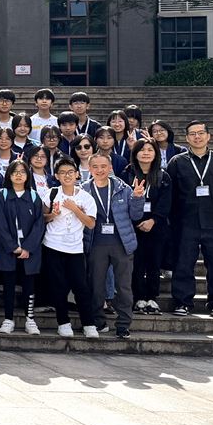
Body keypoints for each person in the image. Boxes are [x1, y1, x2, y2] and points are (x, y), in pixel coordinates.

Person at [166, 119, 213, 318]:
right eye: (192, 134)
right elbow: (170, 190)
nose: (197, 137)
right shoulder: (177, 162)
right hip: (185, 221)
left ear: (208, 136)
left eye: (200, 133)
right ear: (187, 138)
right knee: (183, 263)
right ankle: (182, 302)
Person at [83, 152, 144, 339]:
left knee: (123, 287)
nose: (100, 170)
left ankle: (123, 324)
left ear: (110, 168)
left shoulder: (123, 188)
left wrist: (137, 198)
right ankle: (98, 322)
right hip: (95, 245)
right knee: (96, 287)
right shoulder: (83, 190)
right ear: (89, 169)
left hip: (121, 244)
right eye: (95, 167)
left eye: (104, 166)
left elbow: (136, 216)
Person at [43, 157, 99, 338]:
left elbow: (91, 224)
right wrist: (52, 215)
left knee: (81, 287)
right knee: (58, 286)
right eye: (62, 173)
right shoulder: (51, 193)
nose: (66, 176)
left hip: (75, 248)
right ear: (56, 176)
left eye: (70, 172)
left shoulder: (85, 197)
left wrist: (75, 209)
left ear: (77, 174)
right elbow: (42, 218)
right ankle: (63, 323)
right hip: (53, 245)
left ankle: (89, 324)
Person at [0, 159, 45, 334]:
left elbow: (39, 224)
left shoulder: (34, 196)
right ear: (9, 175)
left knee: (29, 286)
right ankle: (8, 319)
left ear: (28, 175)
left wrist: (27, 247)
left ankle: (30, 319)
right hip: (8, 250)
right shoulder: (2, 195)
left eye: (22, 172)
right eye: (14, 172)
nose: (19, 175)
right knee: (8, 285)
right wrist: (13, 246)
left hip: (30, 251)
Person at [126, 138, 173, 316]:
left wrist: (153, 220)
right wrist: (136, 221)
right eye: (142, 149)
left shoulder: (163, 175)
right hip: (133, 226)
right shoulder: (127, 173)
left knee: (154, 263)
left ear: (156, 153)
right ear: (135, 153)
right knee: (137, 264)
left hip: (156, 226)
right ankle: (139, 298)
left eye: (150, 150)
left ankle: (152, 298)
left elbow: (166, 202)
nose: (146, 153)